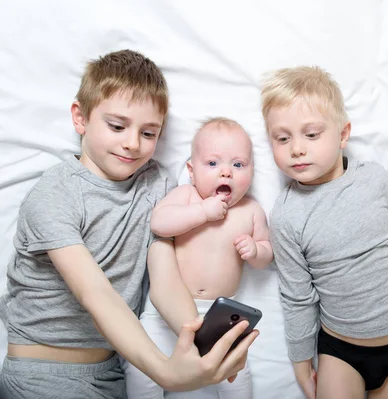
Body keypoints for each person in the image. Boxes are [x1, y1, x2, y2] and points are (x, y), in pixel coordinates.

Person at [0, 50, 258, 399]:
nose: (133, 143)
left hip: (114, 371)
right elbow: (95, 293)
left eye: (149, 133)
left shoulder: (157, 187)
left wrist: (204, 341)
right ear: (81, 118)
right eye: (117, 126)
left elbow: (165, 280)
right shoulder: (54, 193)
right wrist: (166, 372)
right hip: (43, 373)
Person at [261, 66, 388, 399]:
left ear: (343, 134)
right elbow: (296, 295)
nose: (296, 148)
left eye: (311, 134)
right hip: (341, 350)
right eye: (283, 138)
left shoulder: (374, 181)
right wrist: (300, 358)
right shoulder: (286, 215)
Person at [124, 117, 273, 399]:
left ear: (251, 171)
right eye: (213, 164)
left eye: (238, 164)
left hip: (219, 315)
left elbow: (266, 253)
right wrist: (202, 212)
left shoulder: (251, 210)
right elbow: (159, 223)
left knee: (234, 376)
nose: (226, 173)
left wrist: (255, 251)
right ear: (191, 171)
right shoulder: (186, 196)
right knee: (142, 370)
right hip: (164, 311)